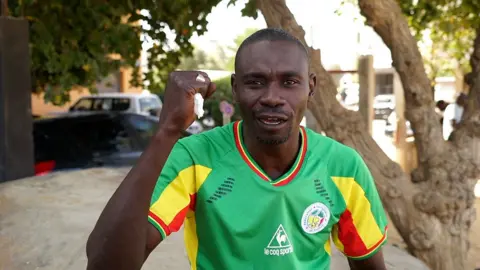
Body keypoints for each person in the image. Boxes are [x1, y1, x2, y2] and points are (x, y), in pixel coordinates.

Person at [86, 28, 388, 270]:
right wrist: (167, 131)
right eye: (255, 82)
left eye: (289, 82)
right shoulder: (194, 159)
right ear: (235, 87)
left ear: (311, 86)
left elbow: (368, 263)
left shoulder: (344, 167)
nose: (272, 97)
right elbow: (105, 265)